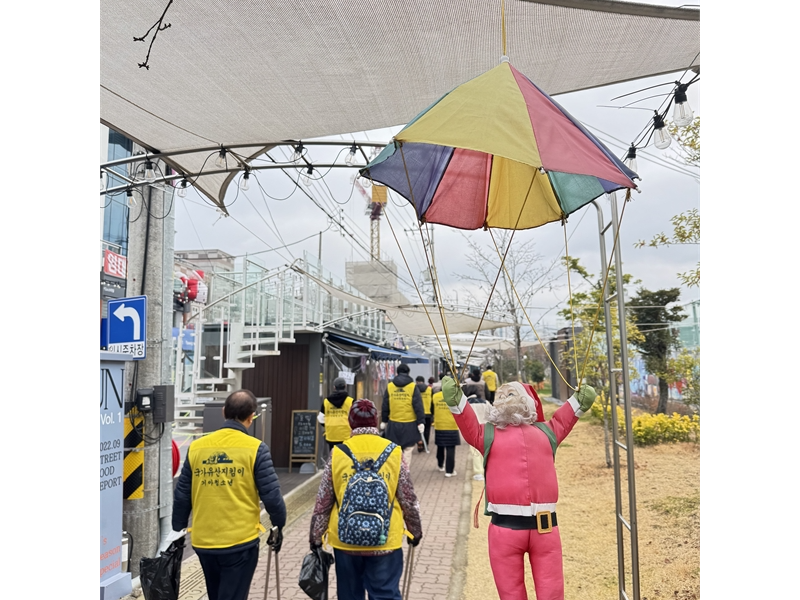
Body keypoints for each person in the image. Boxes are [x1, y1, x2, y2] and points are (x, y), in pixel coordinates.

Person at [441, 376, 596, 600]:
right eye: (502, 394)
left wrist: (456, 399)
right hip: (544, 527)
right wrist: (580, 400)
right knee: (548, 590)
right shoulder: (547, 432)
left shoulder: (489, 434)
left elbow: (468, 423)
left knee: (516, 591)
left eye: (510, 393)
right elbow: (565, 419)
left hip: (507, 528)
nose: (505, 397)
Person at [170, 389, 287, 600]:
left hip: (204, 542)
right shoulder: (256, 449)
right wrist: (279, 525)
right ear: (251, 417)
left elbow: (182, 495)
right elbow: (272, 496)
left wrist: (178, 530)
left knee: (216, 594)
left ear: (224, 412)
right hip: (240, 542)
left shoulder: (197, 447)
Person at [309, 399, 423, 600]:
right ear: (375, 420)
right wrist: (415, 530)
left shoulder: (338, 453)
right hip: (385, 539)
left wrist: (316, 538)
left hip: (345, 540)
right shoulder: (394, 452)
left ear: (350, 422)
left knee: (349, 595)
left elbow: (323, 502)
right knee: (385, 595)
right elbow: (408, 498)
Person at [381, 363, 425, 468]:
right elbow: (418, 406)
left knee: (395, 449)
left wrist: (384, 420)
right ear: (408, 373)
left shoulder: (390, 386)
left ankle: (396, 470)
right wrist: (421, 422)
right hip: (410, 423)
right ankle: (405, 471)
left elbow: (385, 405)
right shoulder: (412, 387)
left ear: (397, 372)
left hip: (394, 423)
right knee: (408, 449)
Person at [431, 380, 460, 477]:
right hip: (452, 425)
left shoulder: (435, 396)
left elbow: (432, 410)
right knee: (450, 448)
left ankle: (440, 465)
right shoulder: (455, 396)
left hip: (439, 424)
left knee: (440, 445)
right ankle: (449, 471)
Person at [318, 377, 354, 453]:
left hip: (331, 435)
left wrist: (328, 424)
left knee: (333, 456)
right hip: (346, 435)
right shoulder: (350, 401)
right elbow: (355, 418)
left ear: (334, 387)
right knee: (346, 456)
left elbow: (321, 418)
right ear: (345, 386)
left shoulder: (326, 401)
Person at [462, 382, 488, 481]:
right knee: (486, 450)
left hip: (473, 430)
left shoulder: (466, 404)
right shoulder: (485, 402)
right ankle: (487, 470)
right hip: (486, 428)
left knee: (475, 451)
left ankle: (478, 472)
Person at [415, 376, 433, 453]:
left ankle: (419, 443)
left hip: (417, 413)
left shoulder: (414, 390)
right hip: (428, 413)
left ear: (416, 381)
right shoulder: (429, 389)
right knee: (427, 430)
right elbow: (432, 402)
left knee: (417, 429)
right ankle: (426, 444)